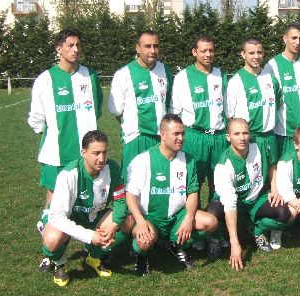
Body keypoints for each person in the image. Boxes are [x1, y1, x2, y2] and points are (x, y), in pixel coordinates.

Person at [28, 29, 103, 234]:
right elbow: (36, 120)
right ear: (58, 48)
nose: (75, 49)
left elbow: (96, 111)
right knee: (53, 200)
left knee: (87, 198)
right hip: (56, 154)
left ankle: (90, 243)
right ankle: (51, 249)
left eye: (78, 45)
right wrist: (55, 135)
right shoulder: (45, 80)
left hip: (85, 153)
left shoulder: (91, 76)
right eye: (70, 45)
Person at [125, 114, 218, 275]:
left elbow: (193, 192)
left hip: (177, 216)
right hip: (151, 218)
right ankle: (141, 255)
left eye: (182, 133)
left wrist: (188, 218)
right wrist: (140, 221)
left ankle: (176, 244)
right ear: (162, 135)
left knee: (211, 222)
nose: (181, 138)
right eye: (176, 134)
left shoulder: (188, 160)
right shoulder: (143, 160)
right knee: (145, 242)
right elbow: (130, 195)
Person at [40, 131, 132, 287]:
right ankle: (60, 263)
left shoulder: (112, 168)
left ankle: (94, 256)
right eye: (96, 153)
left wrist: (114, 224)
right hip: (65, 218)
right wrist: (90, 236)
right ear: (84, 153)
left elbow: (120, 201)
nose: (101, 158)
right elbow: (57, 217)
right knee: (52, 239)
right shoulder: (68, 175)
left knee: (127, 222)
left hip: (93, 214)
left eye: (104, 152)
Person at [207, 118, 291, 270]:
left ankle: (256, 230)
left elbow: (272, 165)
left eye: (245, 133)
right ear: (228, 137)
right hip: (233, 202)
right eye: (237, 134)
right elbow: (230, 202)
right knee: (212, 214)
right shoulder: (223, 165)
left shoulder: (260, 145)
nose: (242, 138)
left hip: (255, 198)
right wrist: (235, 242)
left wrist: (274, 189)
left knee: (284, 213)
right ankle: (217, 238)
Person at [108, 30, 173, 182]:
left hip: (161, 138)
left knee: (159, 182)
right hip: (136, 137)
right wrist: (133, 125)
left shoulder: (164, 70)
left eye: (156, 46)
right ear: (137, 48)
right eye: (147, 46)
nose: (152, 50)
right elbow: (116, 110)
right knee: (132, 183)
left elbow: (169, 103)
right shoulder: (123, 74)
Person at [170, 35, 228, 201]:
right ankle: (192, 221)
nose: (208, 54)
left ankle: (217, 221)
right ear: (194, 52)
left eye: (211, 50)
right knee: (192, 182)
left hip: (218, 137)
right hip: (194, 137)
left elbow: (228, 107)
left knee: (219, 182)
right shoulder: (183, 76)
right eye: (203, 51)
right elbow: (175, 110)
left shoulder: (220, 74)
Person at [226, 36, 282, 177]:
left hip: (269, 136)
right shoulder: (235, 82)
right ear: (243, 54)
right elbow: (230, 116)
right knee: (249, 178)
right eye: (251, 53)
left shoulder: (271, 78)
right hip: (248, 139)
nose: (256, 56)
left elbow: (278, 103)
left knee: (273, 178)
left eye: (259, 52)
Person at [263, 23, 300, 158]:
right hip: (284, 130)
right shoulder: (271, 65)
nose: (298, 42)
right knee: (283, 172)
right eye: (294, 38)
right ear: (285, 39)